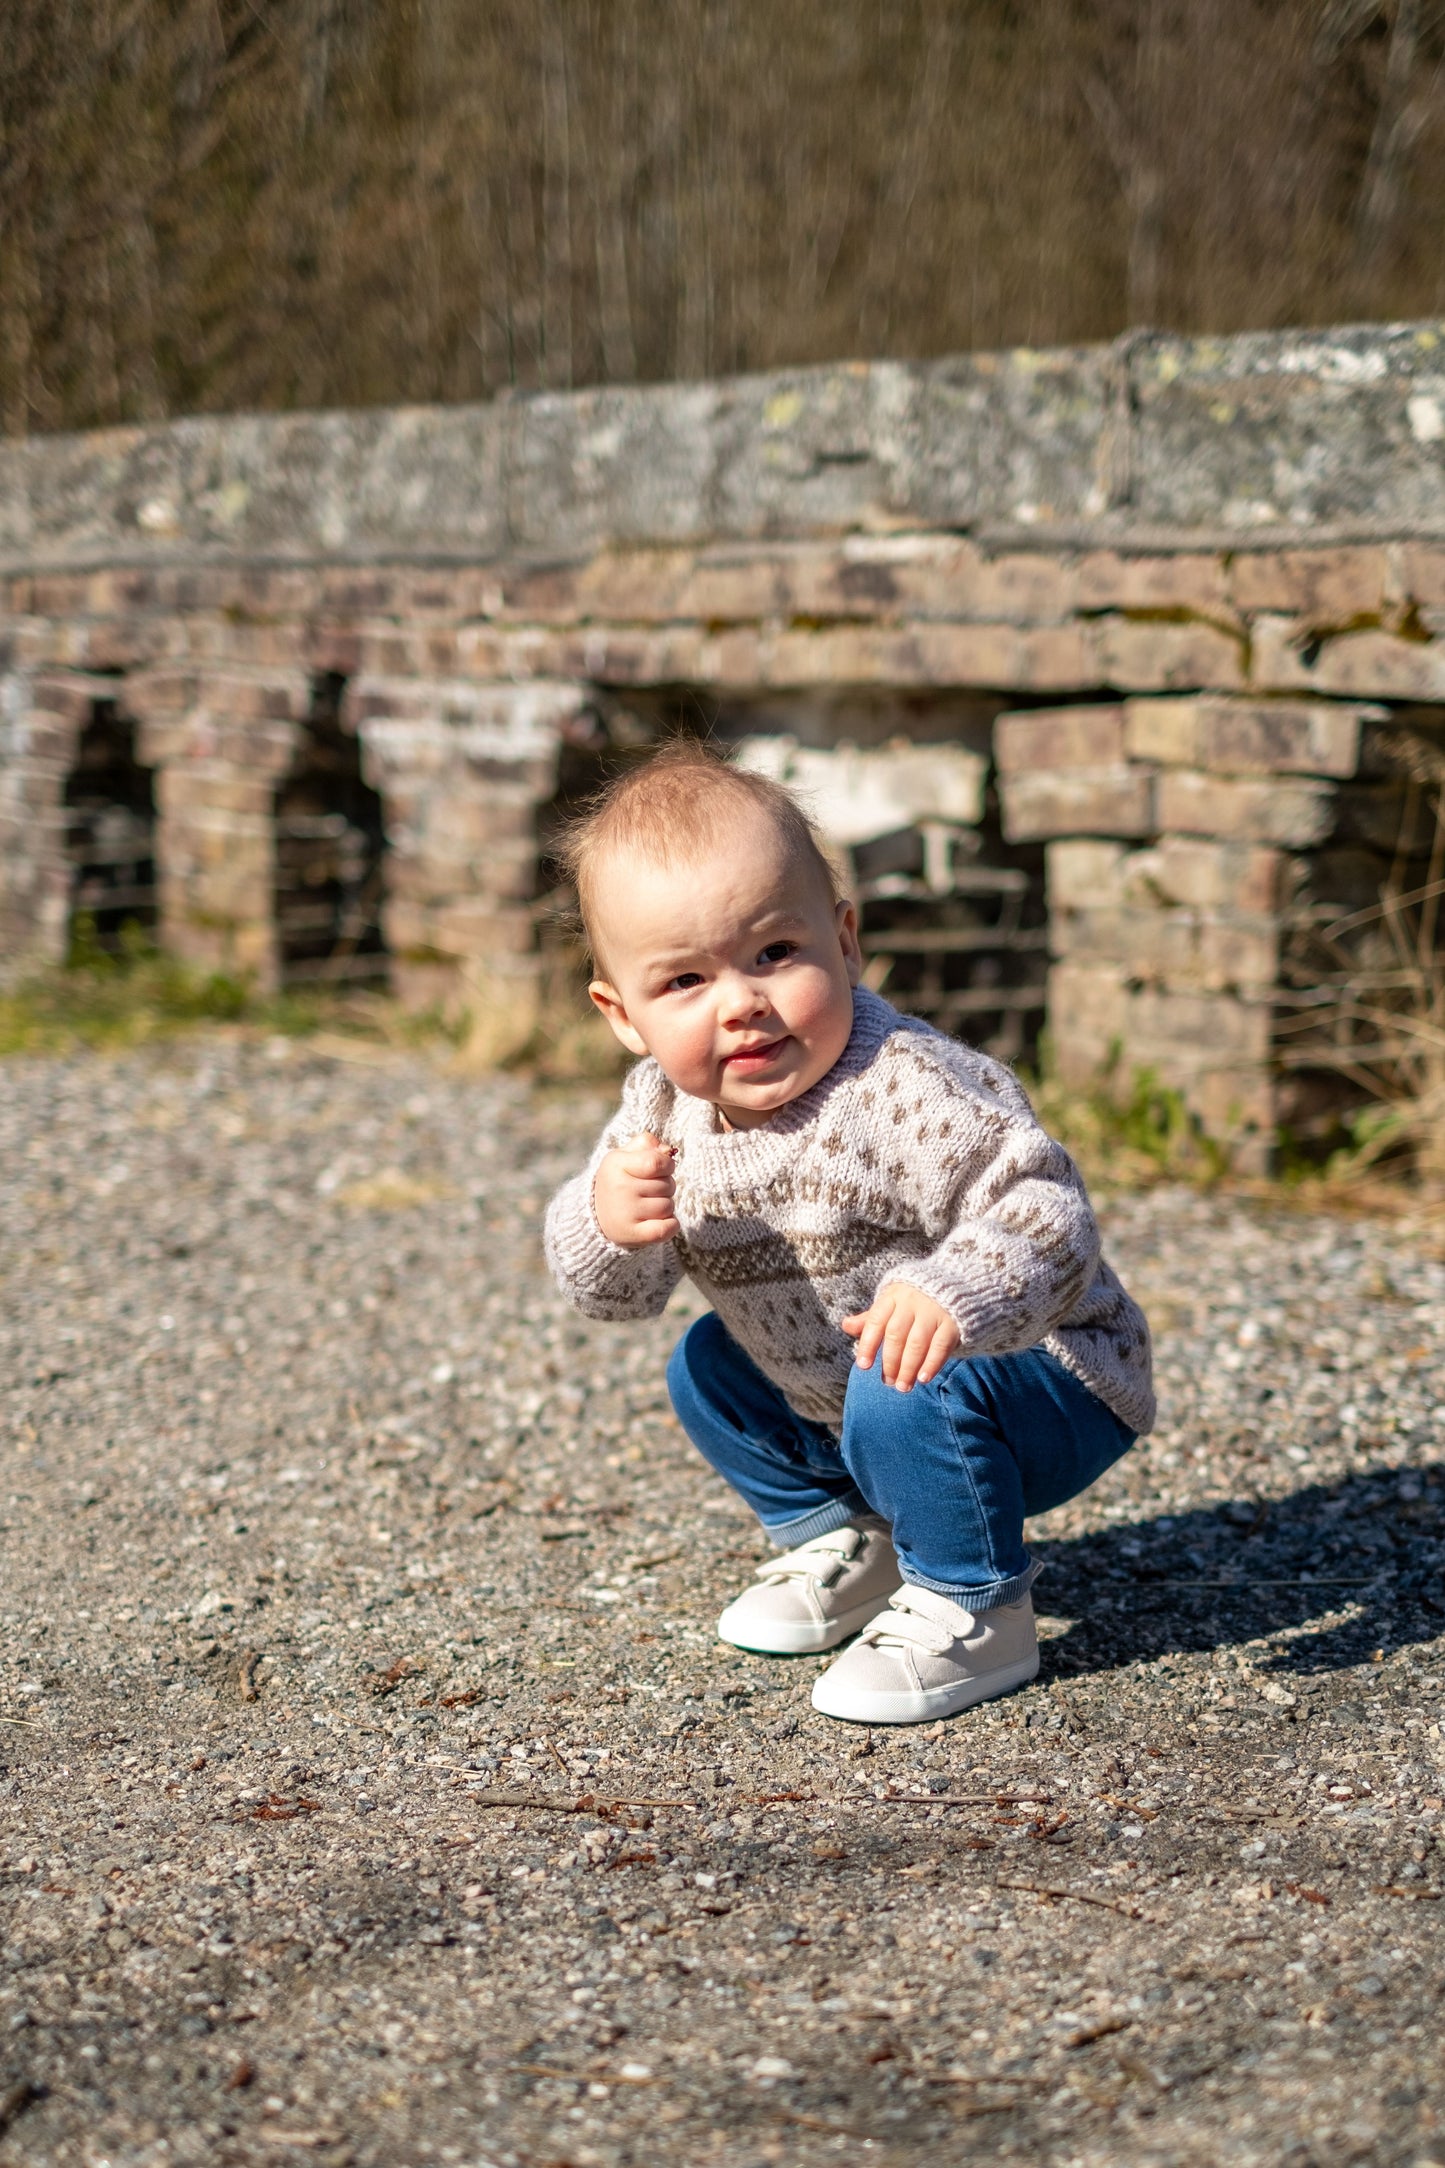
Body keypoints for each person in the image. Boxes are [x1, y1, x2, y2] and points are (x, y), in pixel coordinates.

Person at [543, 742, 1153, 1725]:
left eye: (772, 953)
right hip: (861, 1389)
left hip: (1045, 1374)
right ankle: (852, 1538)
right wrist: (610, 1225)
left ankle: (974, 1603)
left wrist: (954, 1287)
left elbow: (1049, 1210)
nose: (740, 1001)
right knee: (704, 1363)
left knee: (900, 1368)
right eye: (685, 980)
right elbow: (612, 1298)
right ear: (622, 1015)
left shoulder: (901, 1084)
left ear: (844, 939)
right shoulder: (657, 1107)